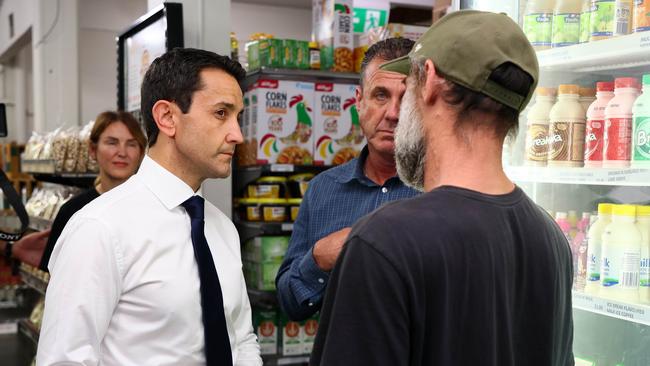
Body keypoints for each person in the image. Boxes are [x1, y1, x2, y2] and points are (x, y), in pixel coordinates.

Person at [310, 10, 574, 366]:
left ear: (430, 81)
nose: (397, 112)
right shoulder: (551, 238)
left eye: (409, 89)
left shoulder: (384, 241)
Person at [36, 48, 261, 365]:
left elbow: (241, 338)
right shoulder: (99, 229)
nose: (237, 134)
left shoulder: (222, 228)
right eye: (221, 113)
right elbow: (65, 359)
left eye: (238, 117)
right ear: (167, 117)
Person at [275, 37, 419, 321]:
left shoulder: (440, 190)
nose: (393, 114)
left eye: (407, 99)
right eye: (380, 95)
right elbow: (289, 303)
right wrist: (318, 259)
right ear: (358, 102)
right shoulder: (323, 189)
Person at [0, 111, 146, 270]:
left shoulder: (153, 208)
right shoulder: (72, 211)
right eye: (112, 143)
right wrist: (13, 249)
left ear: (141, 152)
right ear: (92, 150)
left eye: (131, 144)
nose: (122, 152)